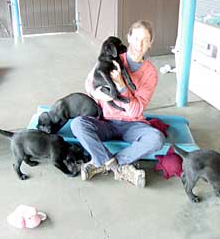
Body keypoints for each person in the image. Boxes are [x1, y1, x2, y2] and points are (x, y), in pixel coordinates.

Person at [70, 20, 165, 188]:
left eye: (145, 40)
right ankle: (121, 169)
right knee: (78, 124)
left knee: (156, 138)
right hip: (105, 120)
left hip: (133, 124)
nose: (139, 44)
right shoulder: (111, 58)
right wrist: (95, 93)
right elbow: (89, 83)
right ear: (128, 38)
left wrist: (121, 86)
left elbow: (136, 110)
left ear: (150, 43)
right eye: (136, 38)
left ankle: (103, 163)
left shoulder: (150, 73)